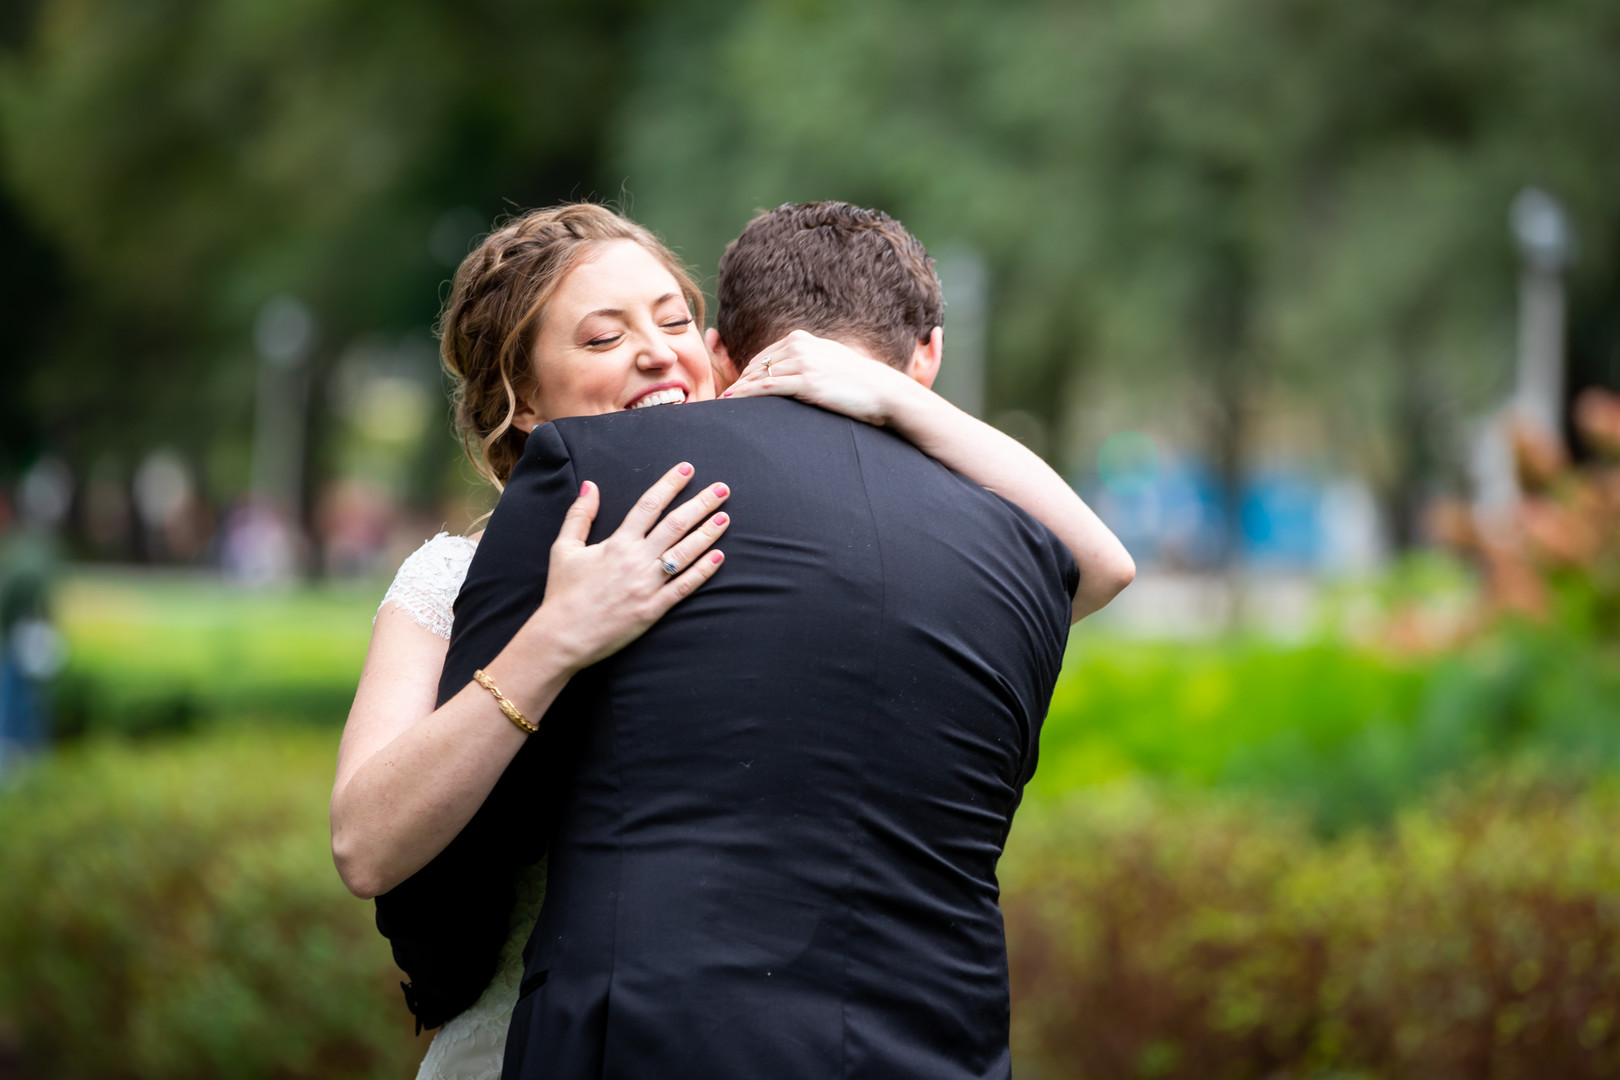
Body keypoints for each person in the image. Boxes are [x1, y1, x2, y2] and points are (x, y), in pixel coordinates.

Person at [404, 200, 1133, 1079]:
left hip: (635, 1031)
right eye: (601, 339)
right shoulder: (1007, 539)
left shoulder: (624, 485)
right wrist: (557, 637)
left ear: (717, 352)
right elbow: (1099, 567)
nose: (652, 351)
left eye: (675, 319)